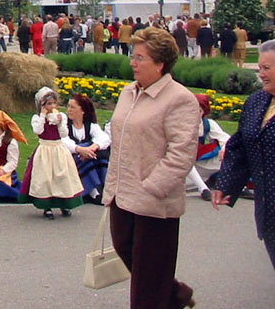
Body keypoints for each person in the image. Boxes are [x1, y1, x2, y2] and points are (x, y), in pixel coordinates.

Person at [103, 27, 200, 309]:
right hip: (122, 194)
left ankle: (166, 298)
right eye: (133, 56)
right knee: (127, 253)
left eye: (140, 58)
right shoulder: (127, 93)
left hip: (155, 201)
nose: (132, 62)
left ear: (160, 64)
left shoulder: (178, 99)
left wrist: (154, 187)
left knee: (148, 277)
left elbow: (181, 153)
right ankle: (175, 295)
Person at [212, 40, 275, 269]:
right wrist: (225, 184)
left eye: (267, 68)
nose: (261, 74)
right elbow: (240, 146)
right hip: (269, 210)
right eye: (260, 68)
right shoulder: (257, 101)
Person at [19, 87, 84, 219]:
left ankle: (64, 203)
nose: (52, 106)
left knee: (62, 176)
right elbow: (38, 130)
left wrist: (60, 123)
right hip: (45, 149)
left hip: (58, 149)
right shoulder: (37, 118)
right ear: (41, 105)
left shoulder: (61, 117)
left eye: (54, 103)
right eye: (49, 104)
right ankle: (46, 205)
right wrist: (43, 116)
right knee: (45, 178)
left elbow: (64, 134)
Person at [63, 94, 111, 203]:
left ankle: (102, 186)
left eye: (73, 107)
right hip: (70, 157)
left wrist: (92, 148)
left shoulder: (90, 126)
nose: (69, 110)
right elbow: (64, 142)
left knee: (102, 154)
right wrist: (81, 150)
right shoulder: (64, 126)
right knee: (81, 156)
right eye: (68, 106)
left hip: (85, 154)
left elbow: (105, 138)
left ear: (83, 110)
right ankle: (92, 190)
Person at [185, 93, 229, 200]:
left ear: (203, 112)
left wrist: (223, 150)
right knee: (183, 159)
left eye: (198, 111)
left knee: (231, 155)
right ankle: (203, 188)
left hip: (200, 163)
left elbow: (227, 140)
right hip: (182, 166)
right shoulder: (180, 124)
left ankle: (239, 185)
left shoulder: (208, 124)